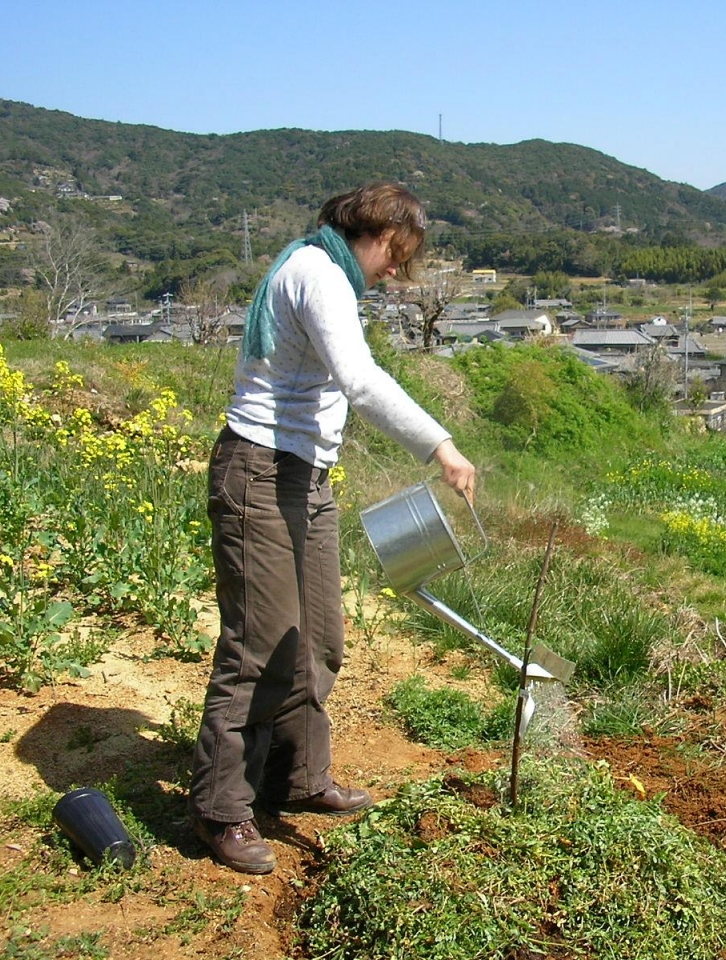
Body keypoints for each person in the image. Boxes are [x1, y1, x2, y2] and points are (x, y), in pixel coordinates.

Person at [190, 182, 475, 874]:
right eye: (397, 258)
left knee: (318, 636)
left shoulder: (325, 272)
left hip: (303, 478)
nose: (394, 273)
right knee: (257, 644)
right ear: (380, 235)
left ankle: (297, 776)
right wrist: (441, 445)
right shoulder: (318, 275)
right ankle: (221, 808)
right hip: (259, 472)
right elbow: (361, 379)